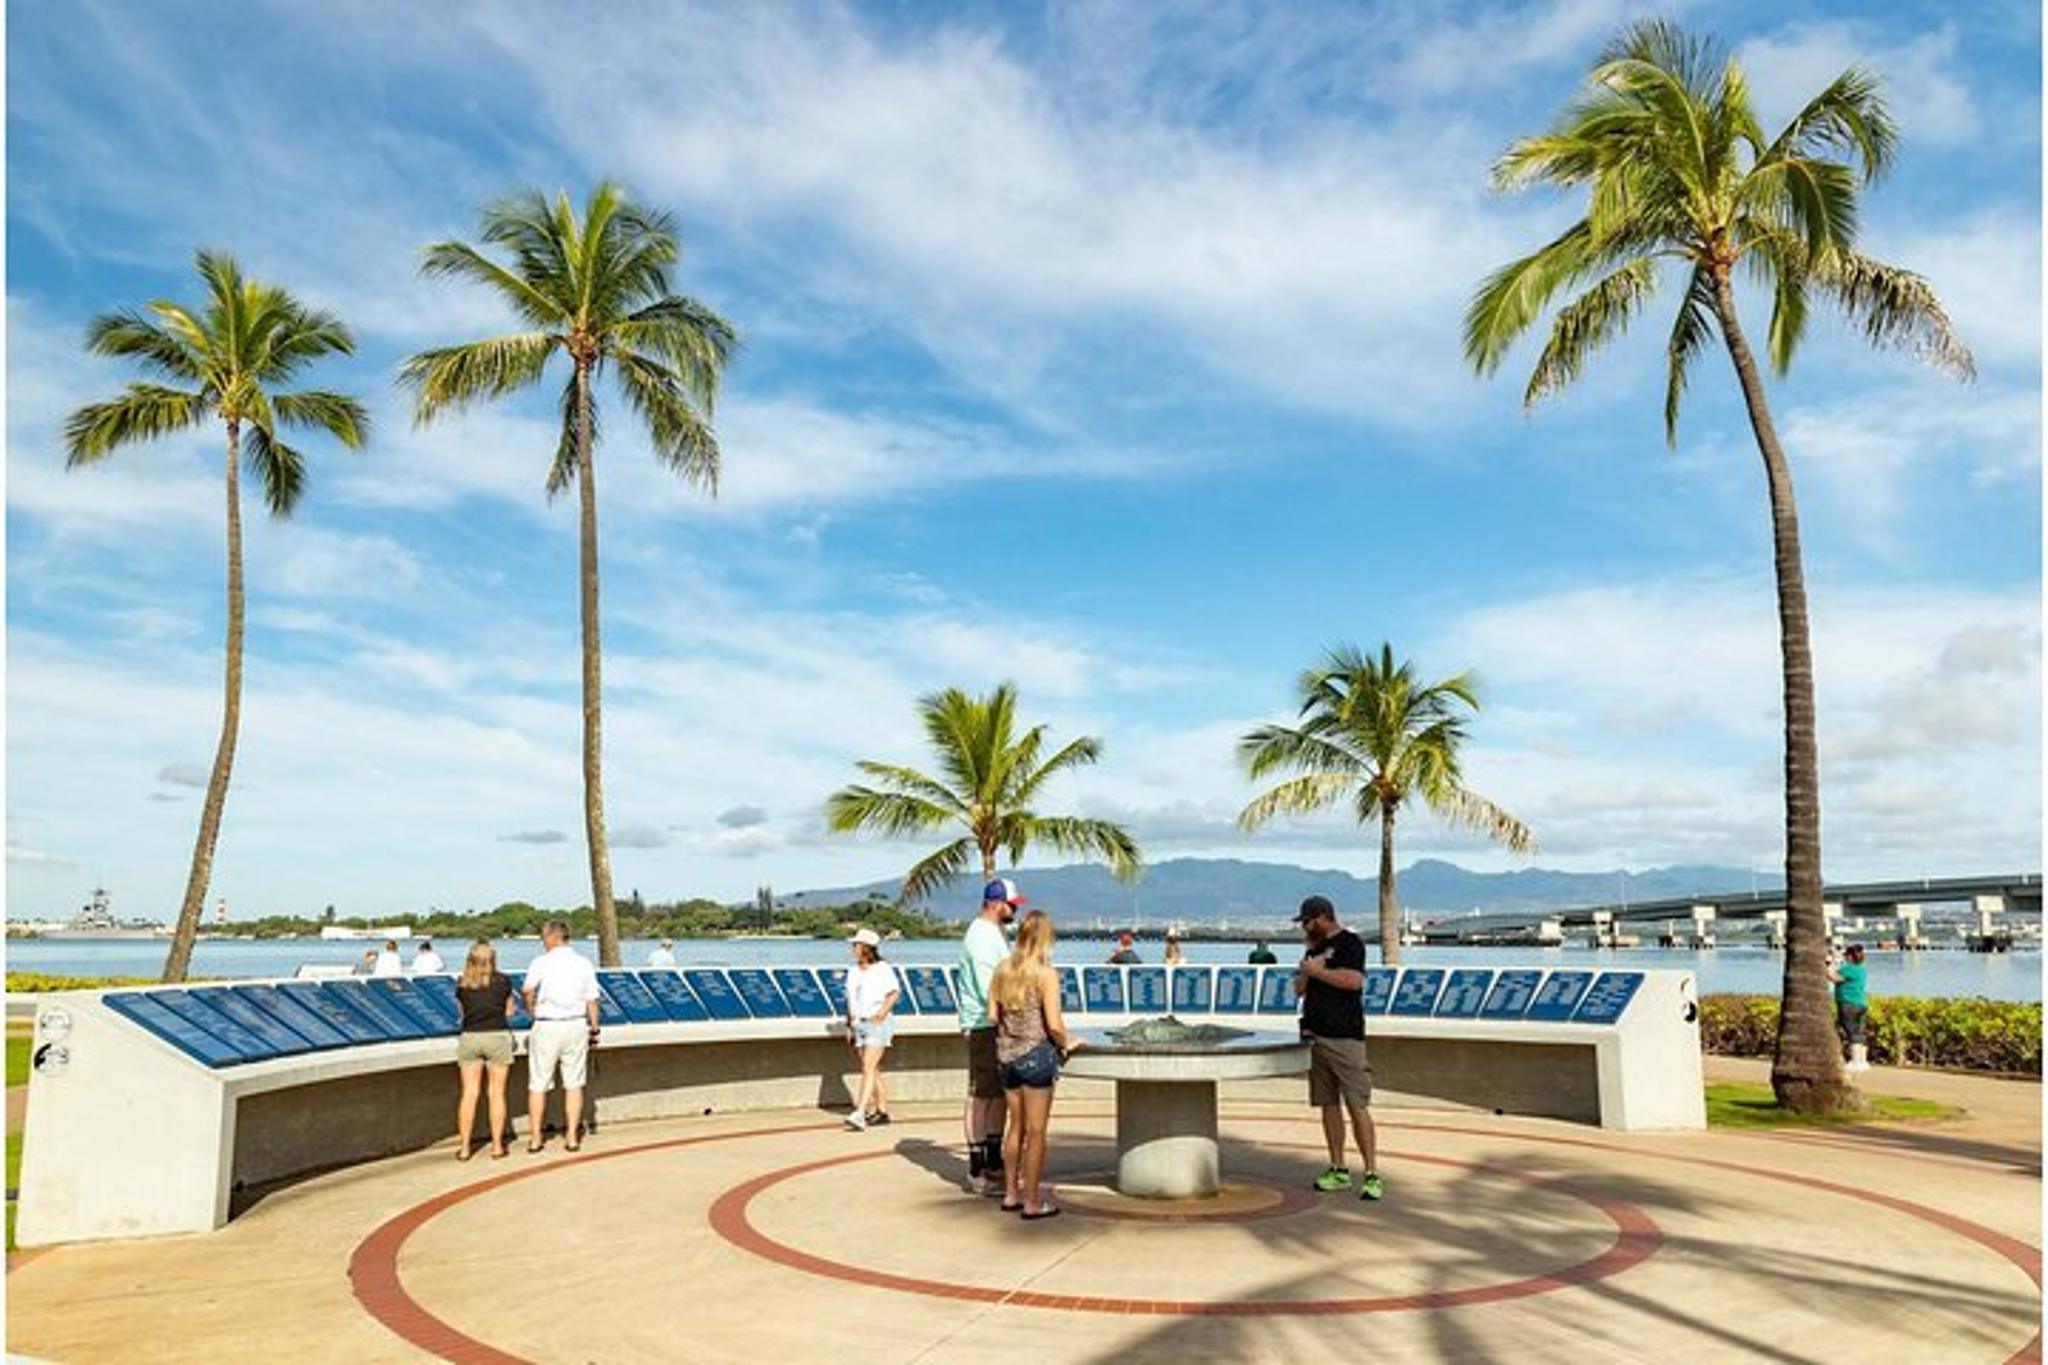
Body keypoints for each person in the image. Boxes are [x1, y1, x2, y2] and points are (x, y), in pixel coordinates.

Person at [1294, 895, 1382, 1200]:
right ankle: (1338, 1167)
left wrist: (1319, 972)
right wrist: (1306, 970)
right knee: (1327, 1105)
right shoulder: (1312, 948)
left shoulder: (1350, 944)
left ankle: (1371, 1173)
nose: (1303, 928)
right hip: (1315, 1037)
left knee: (1357, 1104)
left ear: (1321, 917)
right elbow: (1298, 989)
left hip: (1345, 1038)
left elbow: (1354, 981)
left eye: (1306, 922)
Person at [991, 910, 1076, 1219]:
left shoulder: (1003, 970)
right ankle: (1031, 1201)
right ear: (1045, 939)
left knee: (1015, 1128)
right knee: (1037, 1132)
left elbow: (992, 1016)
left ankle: (1012, 1193)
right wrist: (1068, 1042)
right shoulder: (1045, 974)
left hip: (1007, 1056)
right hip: (1036, 1056)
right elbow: (1053, 1024)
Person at [959, 877, 1022, 1195]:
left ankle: (994, 1161)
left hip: (994, 1024)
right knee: (981, 1095)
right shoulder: (983, 937)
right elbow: (990, 986)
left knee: (996, 1094)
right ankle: (977, 1168)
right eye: (1012, 905)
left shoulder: (990, 934)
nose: (1014, 910)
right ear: (997, 903)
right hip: (985, 1025)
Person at [521, 919, 601, 1152]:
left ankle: (536, 1138)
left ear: (553, 937)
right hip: (575, 1025)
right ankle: (572, 1137)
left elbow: (527, 990)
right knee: (574, 1083)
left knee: (538, 1083)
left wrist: (532, 1010)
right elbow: (592, 1000)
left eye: (544, 938)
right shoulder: (583, 963)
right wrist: (594, 1028)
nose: (543, 943)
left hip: (547, 1025)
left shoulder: (541, 962)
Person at [453, 940, 515, 1160]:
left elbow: (462, 1014)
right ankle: (497, 1146)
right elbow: (509, 1011)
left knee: (469, 1094)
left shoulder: (462, 984)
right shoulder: (504, 981)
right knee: (496, 1094)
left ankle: (464, 1148)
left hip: (470, 1038)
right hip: (497, 1037)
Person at [843, 928, 901, 1130]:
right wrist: (849, 1025)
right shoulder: (853, 971)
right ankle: (882, 1110)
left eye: (856, 945)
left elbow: (893, 993)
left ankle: (860, 1111)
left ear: (866, 948)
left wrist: (882, 1013)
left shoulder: (883, 969)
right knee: (873, 1069)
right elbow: (851, 999)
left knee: (867, 1068)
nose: (853, 949)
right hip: (859, 1023)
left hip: (877, 1023)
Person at [1831, 943, 1870, 1072]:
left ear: (1850, 957)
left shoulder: (1849, 969)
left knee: (1851, 1032)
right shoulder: (1861, 969)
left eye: (1846, 955)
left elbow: (1835, 978)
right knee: (1860, 1032)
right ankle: (1863, 1062)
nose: (1845, 957)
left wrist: (1825, 967)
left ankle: (1855, 1061)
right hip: (1861, 1003)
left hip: (1848, 1003)